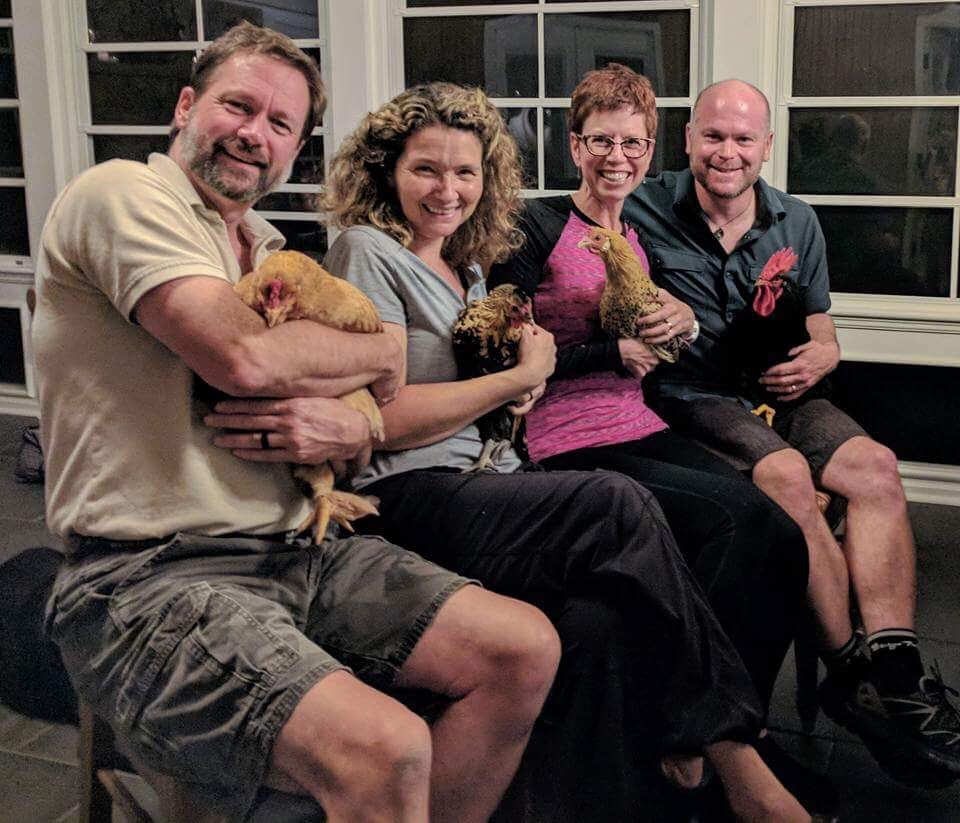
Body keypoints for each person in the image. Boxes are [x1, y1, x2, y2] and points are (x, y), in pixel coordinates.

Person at [33, 23, 563, 823]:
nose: (256, 134)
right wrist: (380, 352)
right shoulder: (124, 194)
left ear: (296, 148)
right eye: (238, 106)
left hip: (298, 549)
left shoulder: (268, 248)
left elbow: (346, 417)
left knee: (523, 648)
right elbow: (246, 360)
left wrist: (350, 428)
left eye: (281, 123)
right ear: (186, 106)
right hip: (145, 577)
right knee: (387, 747)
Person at [307, 80, 814, 822]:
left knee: (603, 620)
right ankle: (736, 751)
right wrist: (520, 380)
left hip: (494, 472)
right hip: (412, 488)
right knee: (617, 502)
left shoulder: (465, 266)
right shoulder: (367, 252)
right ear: (387, 170)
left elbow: (491, 379)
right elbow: (381, 420)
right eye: (426, 170)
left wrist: (520, 383)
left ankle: (639, 792)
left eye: (465, 172)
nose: (447, 190)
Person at [624, 78, 960, 787]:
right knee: (787, 477)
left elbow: (818, 319)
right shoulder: (640, 208)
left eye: (744, 138)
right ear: (688, 139)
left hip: (783, 390)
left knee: (876, 466)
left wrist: (826, 351)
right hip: (693, 396)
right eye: (714, 136)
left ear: (767, 146)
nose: (728, 152)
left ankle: (897, 673)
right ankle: (851, 675)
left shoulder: (797, 218)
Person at [487, 63, 809, 729]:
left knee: (781, 533)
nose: (617, 157)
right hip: (560, 440)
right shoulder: (536, 225)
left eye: (632, 142)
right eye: (601, 140)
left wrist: (680, 324)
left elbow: (661, 335)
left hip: (636, 422)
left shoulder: (636, 239)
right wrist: (613, 354)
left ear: (650, 150)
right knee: (737, 524)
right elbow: (500, 351)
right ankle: (684, 733)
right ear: (574, 145)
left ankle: (739, 729)